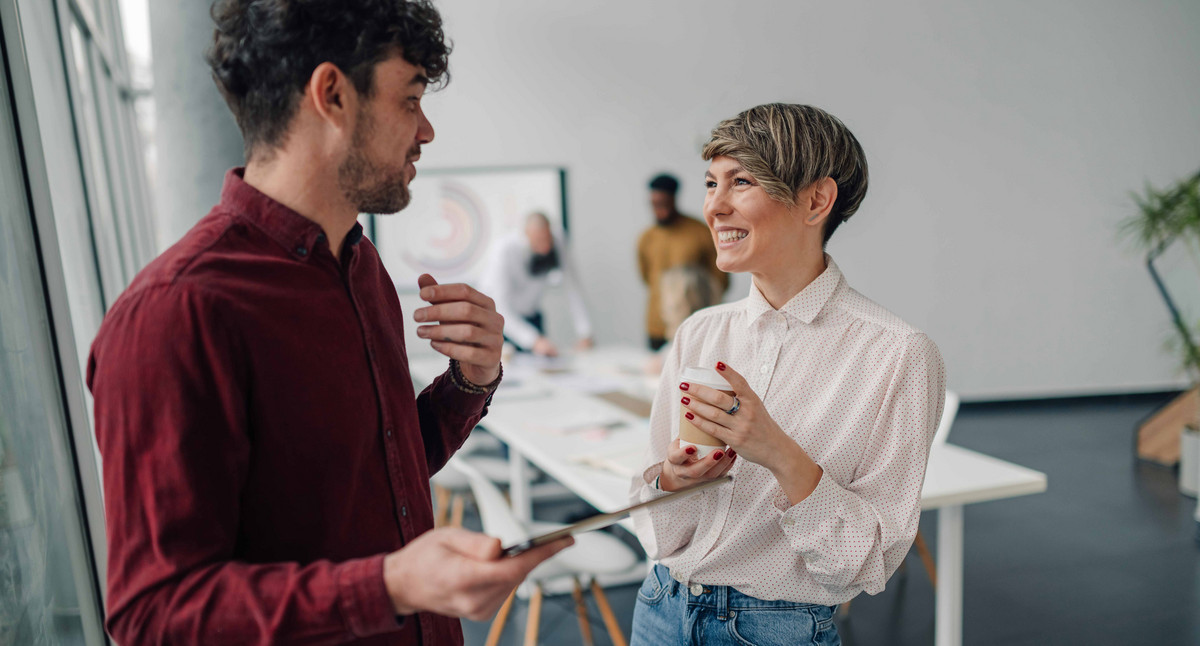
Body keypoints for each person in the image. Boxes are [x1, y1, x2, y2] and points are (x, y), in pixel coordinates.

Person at [86, 2, 571, 644]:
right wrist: (389, 587)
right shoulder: (175, 313)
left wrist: (469, 380)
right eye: (410, 99)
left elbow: (378, 473)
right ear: (332, 95)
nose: (426, 131)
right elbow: (154, 614)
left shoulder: (361, 267)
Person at [628, 104, 945, 646]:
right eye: (711, 183)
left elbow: (866, 562)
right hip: (660, 607)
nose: (713, 206)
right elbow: (659, 529)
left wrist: (776, 451)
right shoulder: (700, 332)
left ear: (817, 201)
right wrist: (674, 480)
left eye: (741, 181)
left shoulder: (899, 354)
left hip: (773, 630)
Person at [479, 212, 593, 357]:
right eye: (539, 241)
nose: (545, 247)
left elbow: (573, 289)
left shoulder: (558, 242)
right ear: (526, 235)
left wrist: (585, 332)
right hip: (499, 323)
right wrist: (533, 340)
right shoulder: (504, 251)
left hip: (532, 317)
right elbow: (500, 308)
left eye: (547, 239)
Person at [637, 173, 729, 351]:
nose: (659, 210)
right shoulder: (646, 238)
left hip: (695, 325)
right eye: (654, 204)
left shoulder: (700, 233)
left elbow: (719, 282)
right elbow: (646, 278)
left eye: (664, 204)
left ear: (673, 199)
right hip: (657, 326)